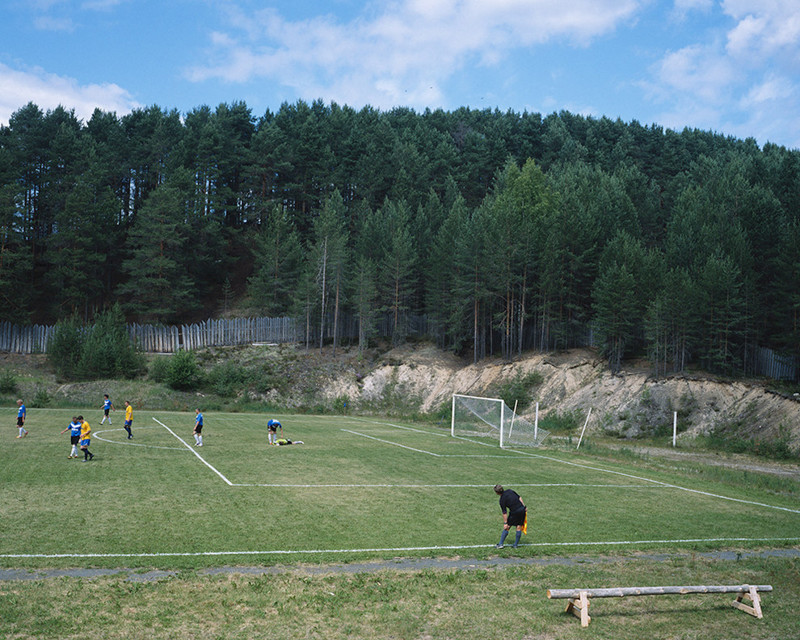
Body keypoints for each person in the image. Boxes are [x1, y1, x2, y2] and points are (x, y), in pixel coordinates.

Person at [494, 484, 527, 549]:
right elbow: (519, 497)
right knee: (519, 527)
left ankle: (500, 544)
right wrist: (523, 506)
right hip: (522, 510)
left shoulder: (502, 500)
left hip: (514, 512)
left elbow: (504, 512)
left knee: (507, 527)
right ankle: (515, 545)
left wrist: (505, 523)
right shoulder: (510, 491)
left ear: (497, 493)